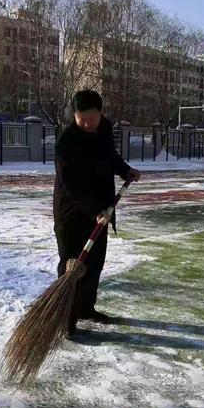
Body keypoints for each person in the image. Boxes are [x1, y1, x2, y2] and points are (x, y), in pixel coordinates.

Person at [53, 90, 141, 336]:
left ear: (100, 114)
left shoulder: (104, 130)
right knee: (71, 266)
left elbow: (109, 157)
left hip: (101, 208)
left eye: (92, 117)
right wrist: (94, 212)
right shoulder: (66, 143)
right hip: (71, 213)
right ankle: (66, 319)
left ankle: (85, 309)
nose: (88, 123)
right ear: (75, 115)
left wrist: (125, 170)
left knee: (94, 265)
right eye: (82, 118)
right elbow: (70, 185)